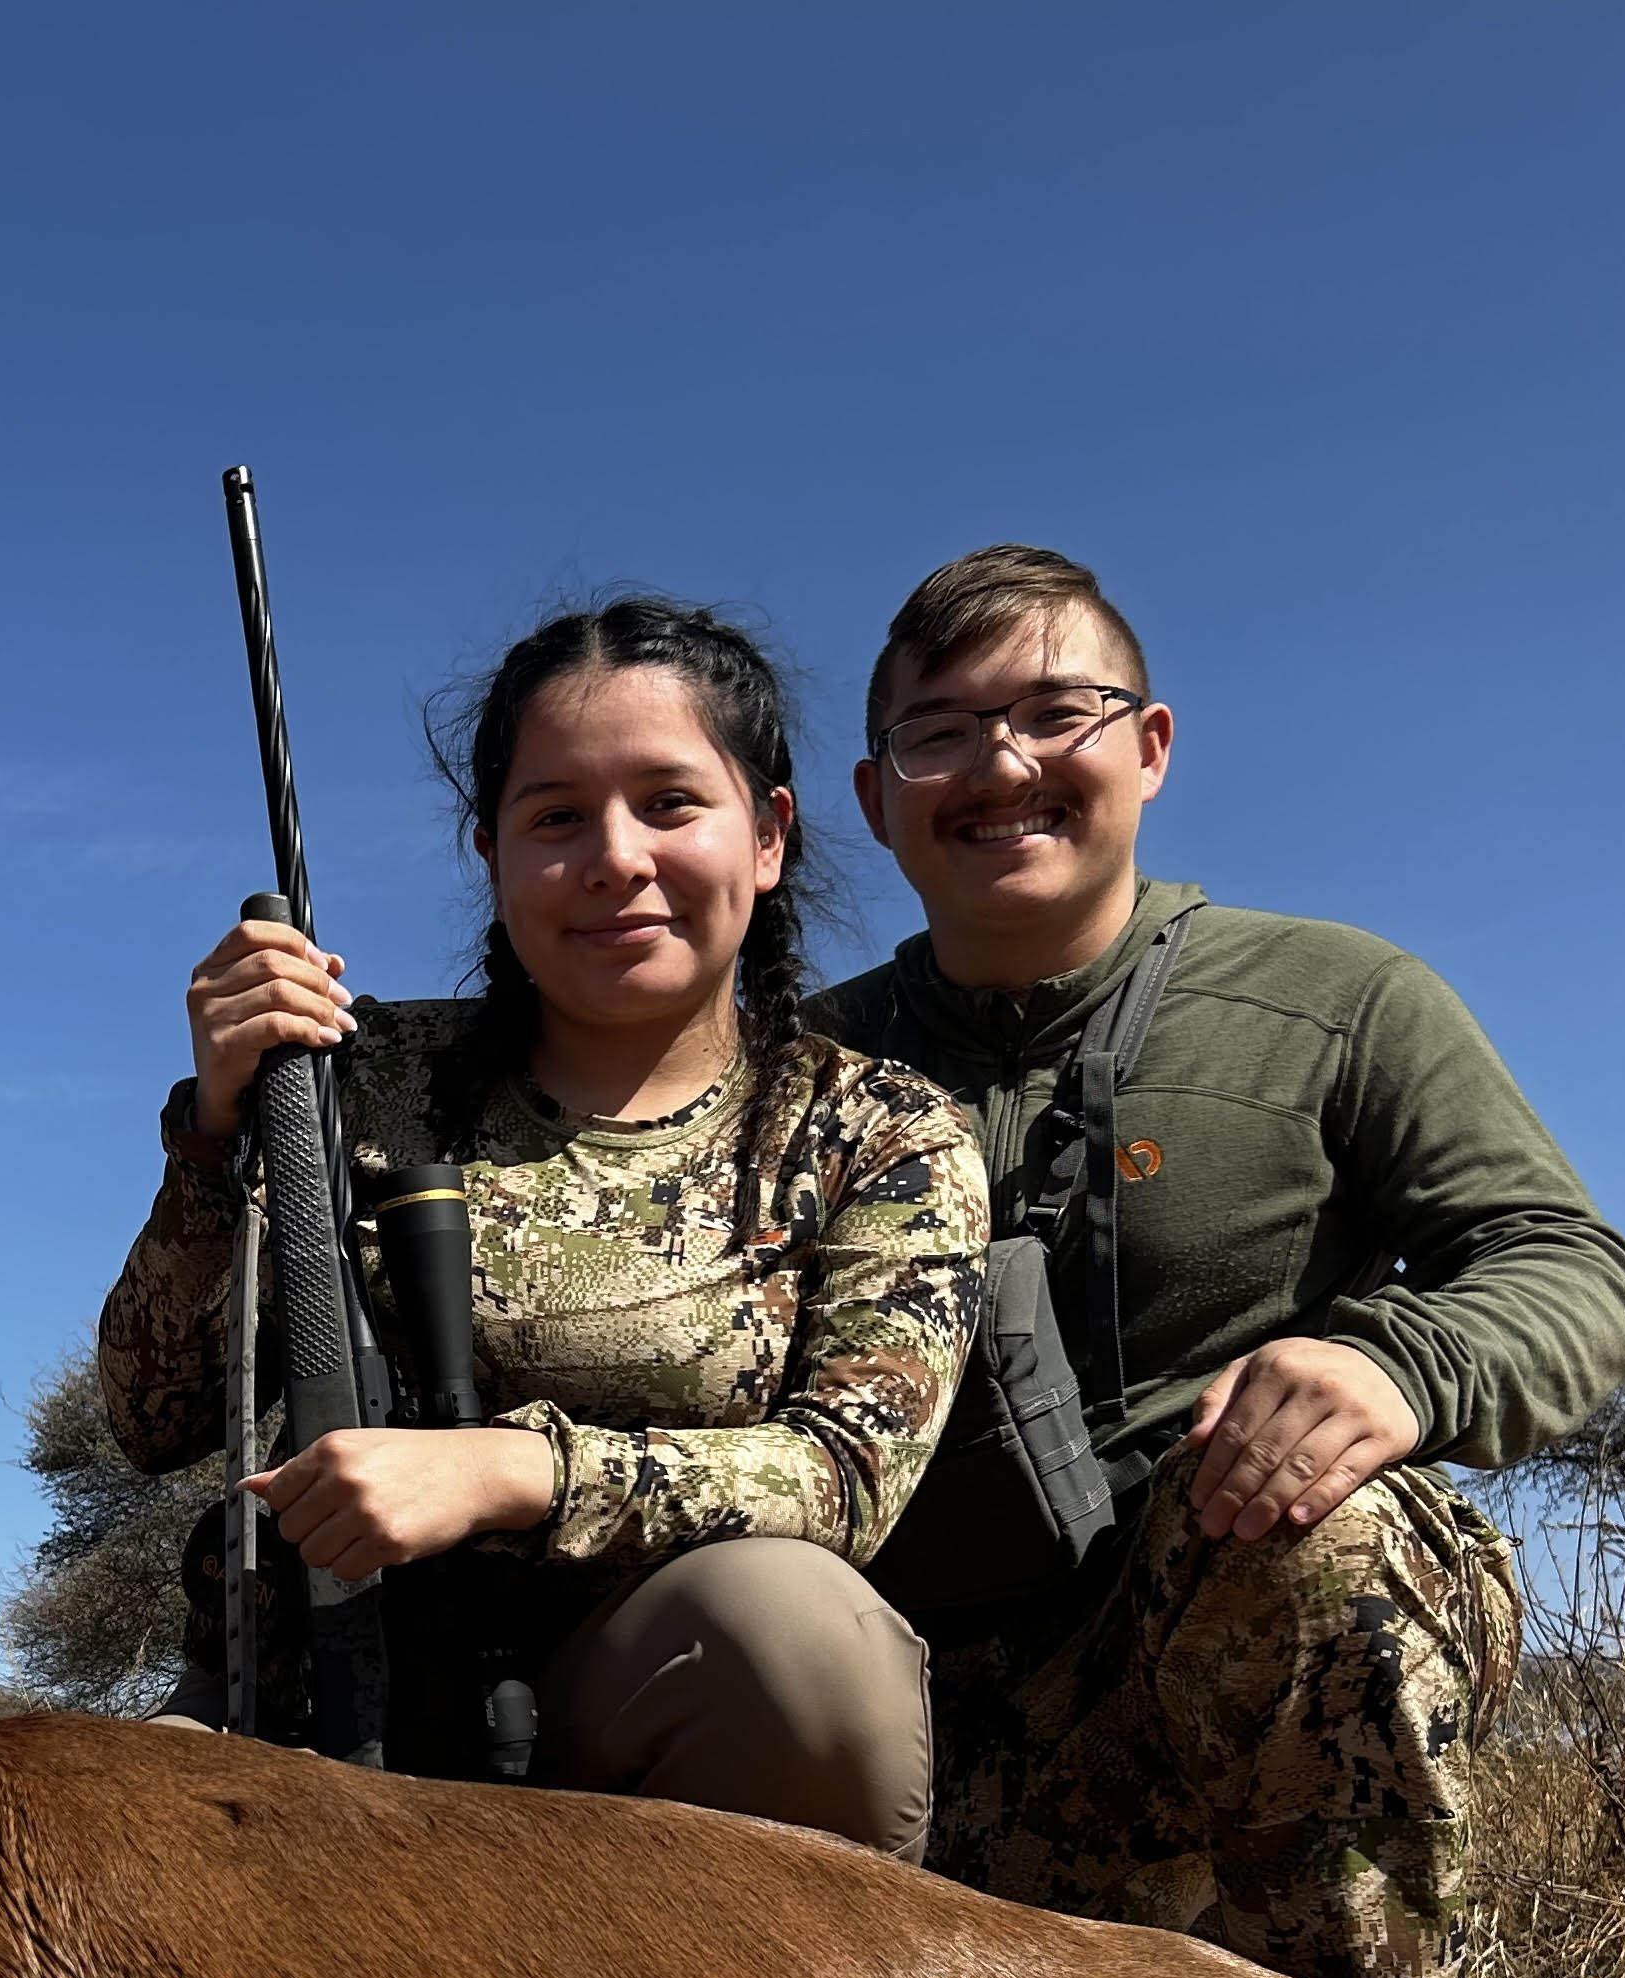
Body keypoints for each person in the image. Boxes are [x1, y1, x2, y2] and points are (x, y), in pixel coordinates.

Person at [820, 543, 1625, 1978]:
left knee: (1327, 1526)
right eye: (937, 734)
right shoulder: (789, 1068)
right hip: (875, 1727)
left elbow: (1569, 1268)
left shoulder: (1342, 997)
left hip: (1191, 1696)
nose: (1001, 765)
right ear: (876, 802)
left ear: (1149, 748)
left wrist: (1396, 1365)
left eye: (1056, 712)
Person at [97, 598, 989, 1853]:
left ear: (770, 833)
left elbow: (842, 1482)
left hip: (637, 1724)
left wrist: (511, 1474)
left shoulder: (876, 1128)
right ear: (492, 849)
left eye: (670, 803)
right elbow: (149, 1421)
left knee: (802, 1645)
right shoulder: (349, 1076)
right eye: (556, 816)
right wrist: (213, 1132)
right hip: (311, 1703)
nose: (615, 857)